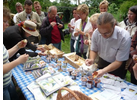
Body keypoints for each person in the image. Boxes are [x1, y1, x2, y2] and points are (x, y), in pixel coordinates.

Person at [85, 12, 131, 79]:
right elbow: (94, 49)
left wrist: (103, 71)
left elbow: (119, 61)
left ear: (114, 26)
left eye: (107, 33)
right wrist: (92, 59)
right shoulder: (96, 32)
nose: (103, 36)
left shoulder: (124, 37)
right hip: (102, 61)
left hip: (117, 66)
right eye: (101, 33)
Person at [3, 5, 29, 100]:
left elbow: (5, 55)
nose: (7, 24)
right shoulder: (15, 34)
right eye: (5, 21)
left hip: (8, 81)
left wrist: (17, 46)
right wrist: (18, 61)